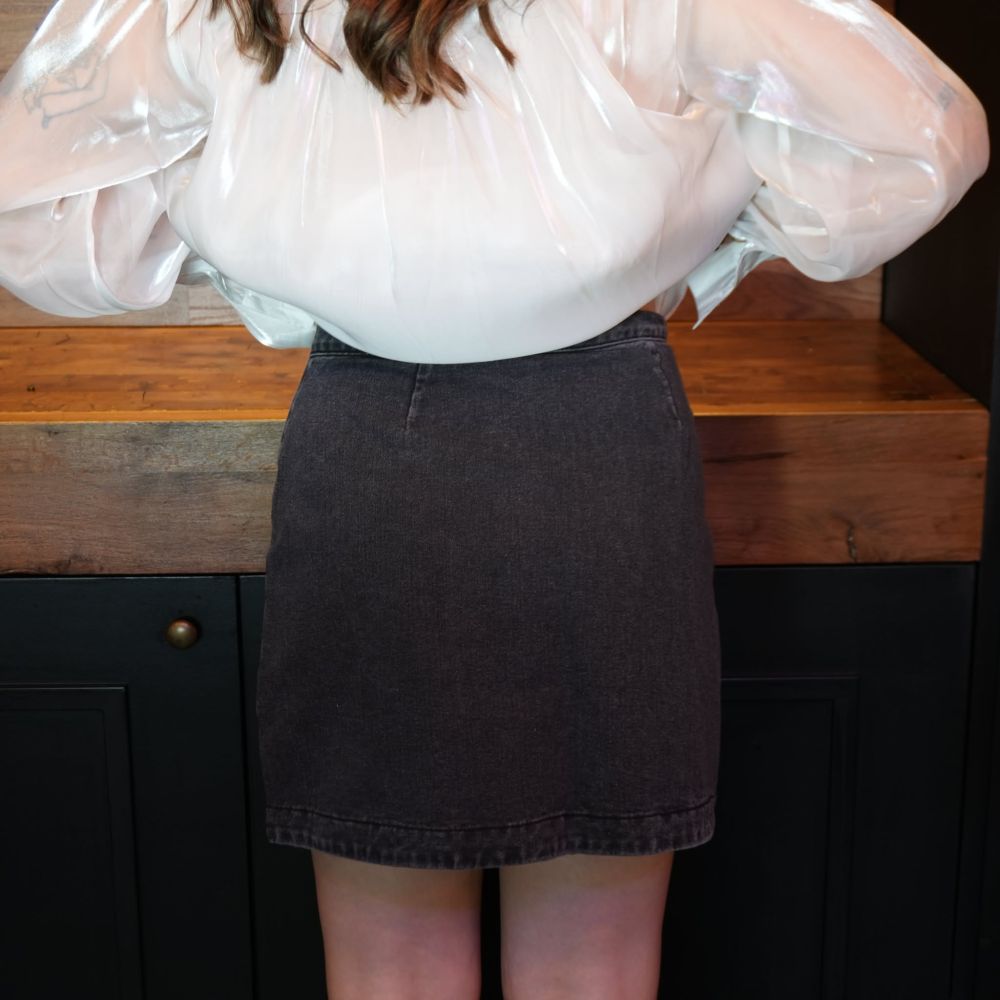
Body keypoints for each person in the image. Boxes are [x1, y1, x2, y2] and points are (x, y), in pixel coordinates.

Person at [0, 0, 989, 996]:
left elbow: (30, 206)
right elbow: (921, 137)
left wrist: (238, 228)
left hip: (370, 444)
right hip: (599, 442)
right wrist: (706, 217)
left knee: (390, 964)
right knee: (591, 966)